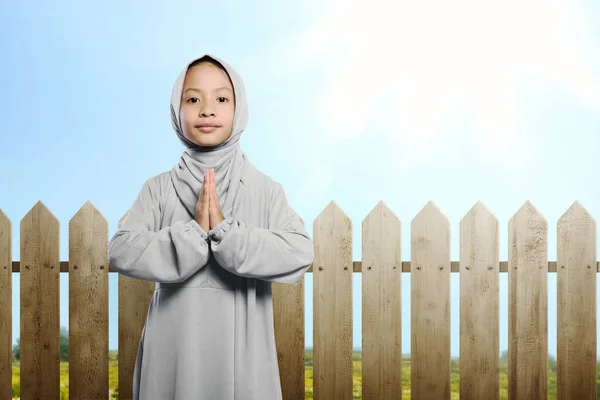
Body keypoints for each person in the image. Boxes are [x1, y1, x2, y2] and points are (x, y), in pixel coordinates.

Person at [108, 53, 314, 400]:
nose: (207, 110)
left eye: (221, 98)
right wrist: (191, 235)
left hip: (243, 350)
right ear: (177, 109)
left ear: (239, 108)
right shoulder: (158, 188)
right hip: (173, 346)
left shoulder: (264, 189)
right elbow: (121, 250)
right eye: (193, 99)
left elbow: (299, 251)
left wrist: (226, 233)